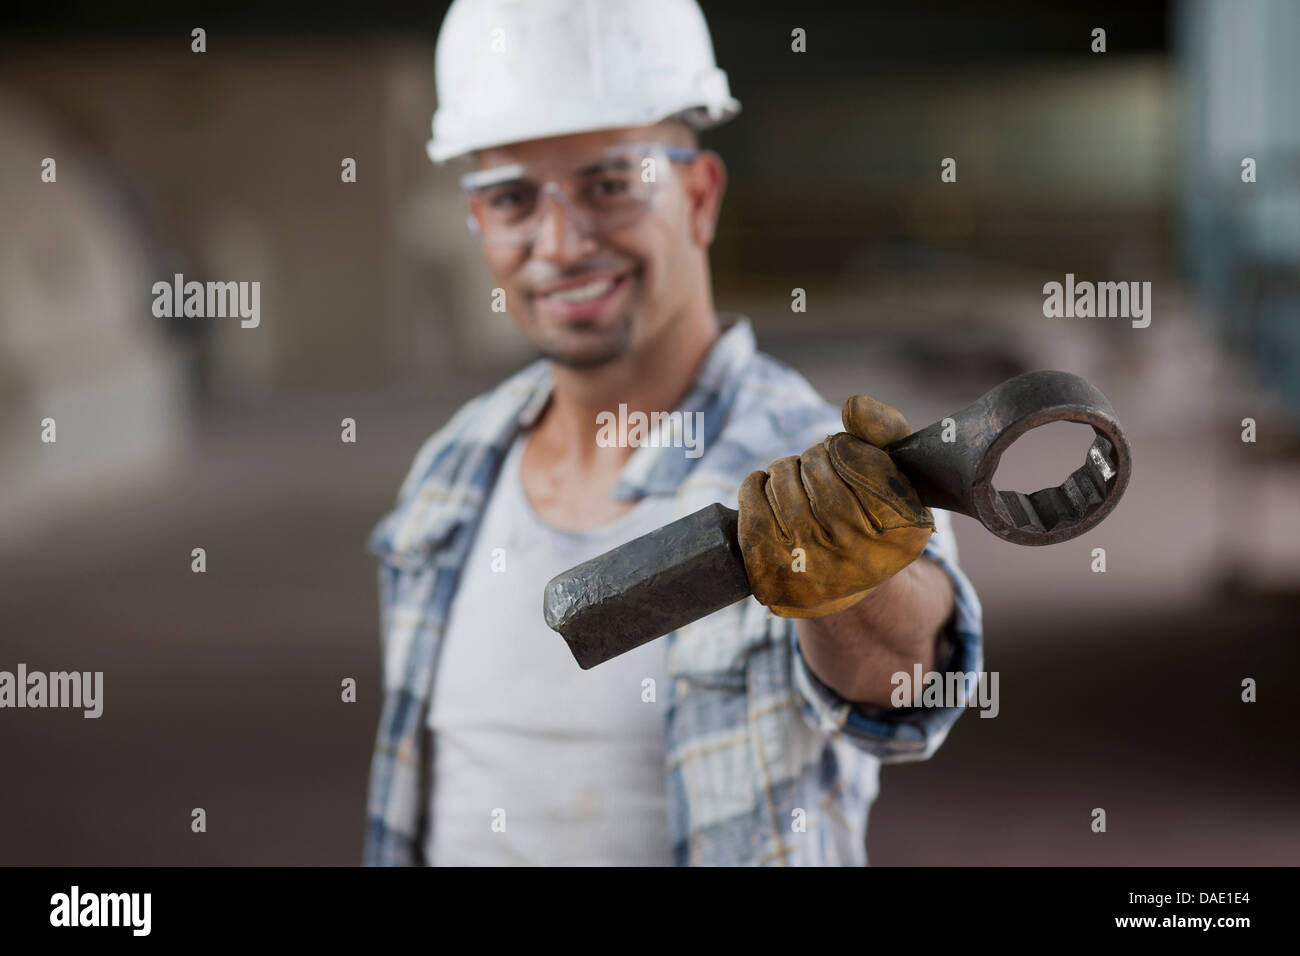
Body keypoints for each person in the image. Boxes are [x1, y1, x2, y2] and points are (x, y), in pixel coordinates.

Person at [365, 0, 982, 866]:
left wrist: (858, 587)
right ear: (476, 222)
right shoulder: (452, 467)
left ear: (697, 195)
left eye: (609, 184)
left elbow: (909, 689)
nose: (561, 242)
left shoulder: (820, 471)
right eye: (509, 198)